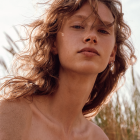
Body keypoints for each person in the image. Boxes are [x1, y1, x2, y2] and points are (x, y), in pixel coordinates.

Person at [0, 0, 136, 139]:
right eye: (77, 26)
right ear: (54, 42)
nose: (92, 37)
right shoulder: (13, 112)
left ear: (112, 53)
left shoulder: (98, 137)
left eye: (102, 30)